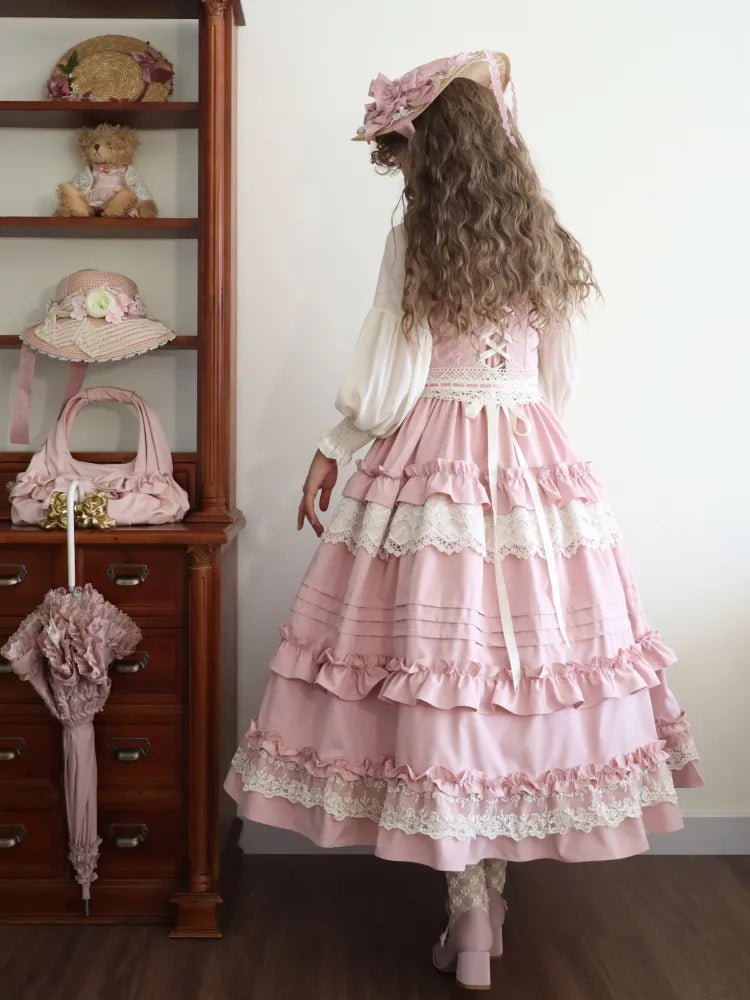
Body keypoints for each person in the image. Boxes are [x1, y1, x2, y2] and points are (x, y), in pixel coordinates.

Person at [225, 50, 703, 991]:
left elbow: (390, 372)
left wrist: (335, 443)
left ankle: (470, 914)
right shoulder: (542, 235)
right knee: (515, 686)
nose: (401, 169)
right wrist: (524, 439)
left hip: (431, 457)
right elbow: (558, 378)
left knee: (440, 681)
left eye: (405, 152)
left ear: (432, 151)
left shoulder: (417, 238)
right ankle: (483, 914)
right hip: (530, 457)